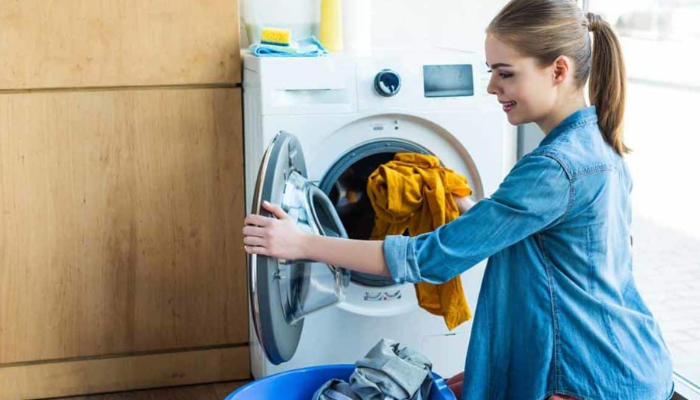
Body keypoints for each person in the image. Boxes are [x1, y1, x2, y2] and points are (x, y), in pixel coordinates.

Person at [242, 0, 675, 398]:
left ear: (558, 71)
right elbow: (580, 258)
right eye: (490, 71)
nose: (491, 86)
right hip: (629, 362)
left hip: (587, 378)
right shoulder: (595, 145)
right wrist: (477, 216)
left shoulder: (554, 168)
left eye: (505, 73)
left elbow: (427, 259)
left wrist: (300, 244)